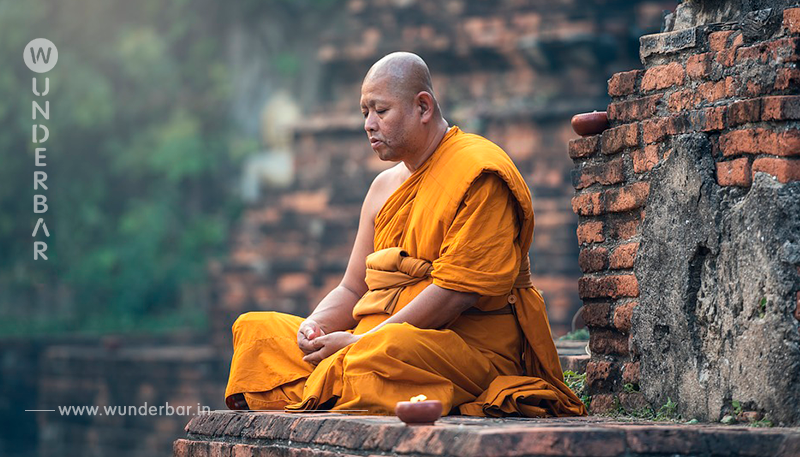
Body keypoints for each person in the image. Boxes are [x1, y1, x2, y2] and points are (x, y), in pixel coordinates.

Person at [224, 52, 586, 417]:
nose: (368, 124)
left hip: (458, 346)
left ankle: (329, 380)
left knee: (383, 354)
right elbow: (353, 288)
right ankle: (334, 377)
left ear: (423, 107)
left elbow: (455, 294)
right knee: (256, 331)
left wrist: (361, 341)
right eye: (364, 112)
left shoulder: (478, 173)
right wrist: (315, 328)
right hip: (373, 338)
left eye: (380, 111)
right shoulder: (382, 187)